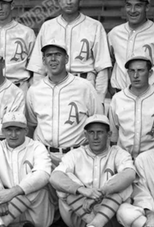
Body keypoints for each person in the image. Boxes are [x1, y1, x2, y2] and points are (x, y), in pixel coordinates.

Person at [50, 115, 136, 227]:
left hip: (111, 217)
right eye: (91, 132)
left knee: (124, 183)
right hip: (81, 216)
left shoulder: (119, 153)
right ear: (85, 134)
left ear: (109, 134)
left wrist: (100, 192)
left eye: (100, 132)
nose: (95, 137)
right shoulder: (75, 154)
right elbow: (54, 177)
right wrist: (81, 190)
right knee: (65, 181)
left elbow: (129, 175)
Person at [27, 0, 112, 102]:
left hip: (84, 83)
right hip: (53, 85)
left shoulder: (95, 26)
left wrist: (99, 99)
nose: (68, 1)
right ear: (58, 1)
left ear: (80, 1)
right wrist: (40, 93)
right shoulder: (48, 26)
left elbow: (102, 67)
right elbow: (38, 68)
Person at [26, 39, 101, 168]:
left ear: (66, 59)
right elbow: (31, 124)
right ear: (43, 61)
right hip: (44, 156)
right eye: (49, 55)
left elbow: (98, 120)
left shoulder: (85, 87)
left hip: (77, 155)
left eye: (58, 54)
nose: (53, 59)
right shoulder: (34, 90)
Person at [107, 56, 154, 158]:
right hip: (125, 160)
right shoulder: (118, 99)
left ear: (150, 73)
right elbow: (113, 136)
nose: (135, 75)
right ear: (128, 73)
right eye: (132, 71)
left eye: (140, 71)